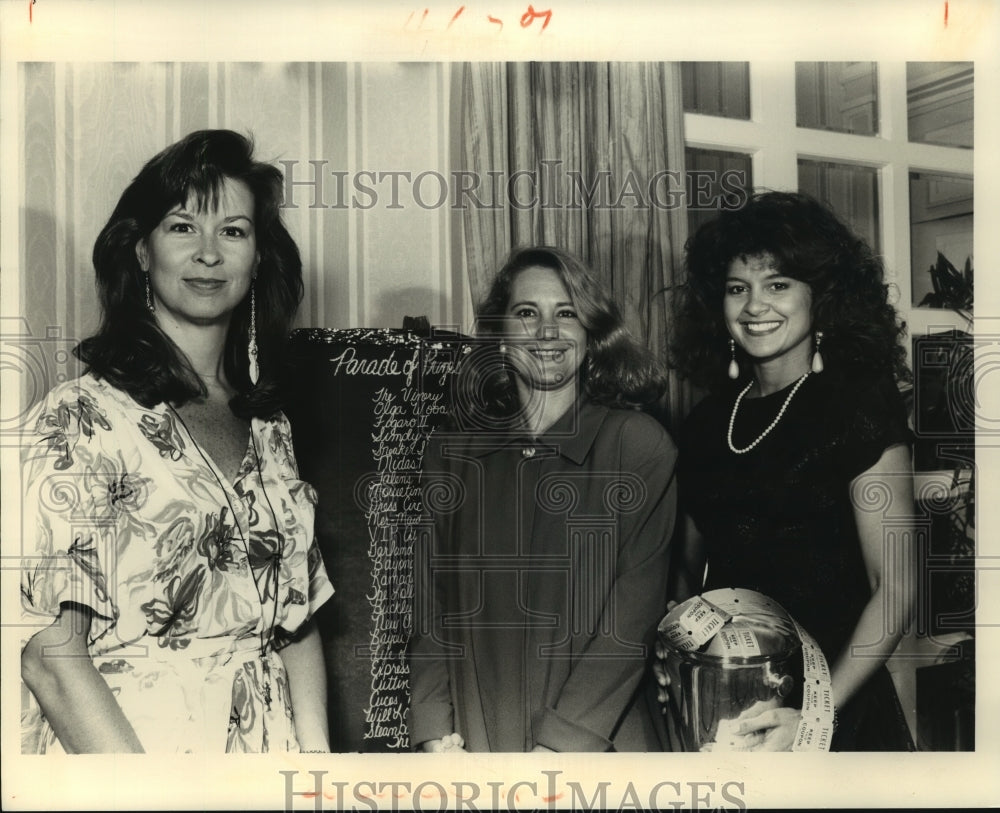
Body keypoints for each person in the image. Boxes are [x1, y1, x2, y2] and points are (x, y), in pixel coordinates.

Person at [19, 129, 334, 754]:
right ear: (140, 250)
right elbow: (51, 657)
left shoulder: (270, 428)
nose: (209, 254)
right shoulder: (78, 419)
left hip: (267, 758)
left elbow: (295, 625)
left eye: (234, 231)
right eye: (183, 226)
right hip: (131, 759)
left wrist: (318, 769)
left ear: (259, 257)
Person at [666, 191, 917, 751]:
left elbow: (895, 587)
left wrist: (811, 714)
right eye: (738, 288)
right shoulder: (708, 422)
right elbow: (688, 578)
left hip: (839, 707)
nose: (756, 306)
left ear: (820, 295)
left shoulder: (860, 406)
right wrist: (680, 662)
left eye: (777, 285)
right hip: (728, 709)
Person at [409, 246, 677, 753]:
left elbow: (631, 624)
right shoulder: (452, 456)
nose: (547, 332)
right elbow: (432, 613)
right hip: (472, 746)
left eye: (567, 313)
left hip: (597, 747)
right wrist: (432, 730)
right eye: (526, 313)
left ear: (591, 335)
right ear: (499, 334)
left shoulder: (637, 445)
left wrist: (557, 750)